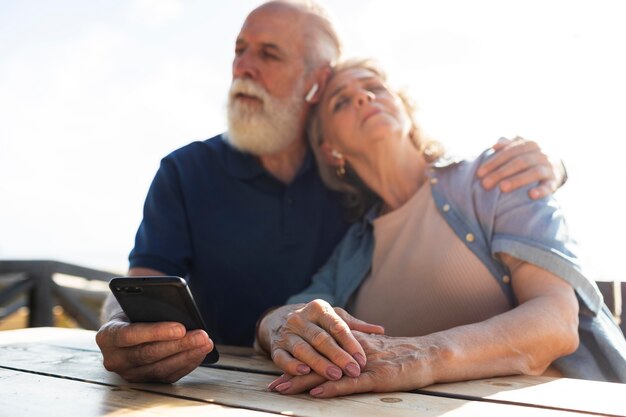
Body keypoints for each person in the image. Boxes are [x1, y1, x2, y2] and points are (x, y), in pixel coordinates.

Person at [95, 0, 565, 383]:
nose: (243, 67)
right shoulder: (187, 170)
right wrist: (119, 328)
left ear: (316, 85)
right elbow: (141, 284)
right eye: (239, 50)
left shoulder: (362, 183)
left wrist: (555, 165)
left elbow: (432, 186)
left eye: (269, 54)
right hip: (219, 391)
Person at [256, 58, 626, 397]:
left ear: (404, 108)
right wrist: (280, 325)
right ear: (331, 148)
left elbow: (557, 322)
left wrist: (423, 356)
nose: (363, 97)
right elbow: (289, 314)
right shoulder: (353, 248)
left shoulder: (494, 175)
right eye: (341, 101)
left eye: (375, 87)